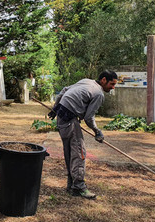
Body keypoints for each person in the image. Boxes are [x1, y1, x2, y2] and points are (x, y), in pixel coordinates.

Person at [50, 70, 118, 199]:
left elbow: (64, 90)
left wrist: (55, 109)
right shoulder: (98, 94)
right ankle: (79, 187)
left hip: (62, 118)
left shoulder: (86, 81)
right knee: (79, 153)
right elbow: (89, 117)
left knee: (70, 152)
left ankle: (71, 185)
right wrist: (97, 131)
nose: (113, 87)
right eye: (112, 84)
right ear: (103, 80)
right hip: (70, 121)